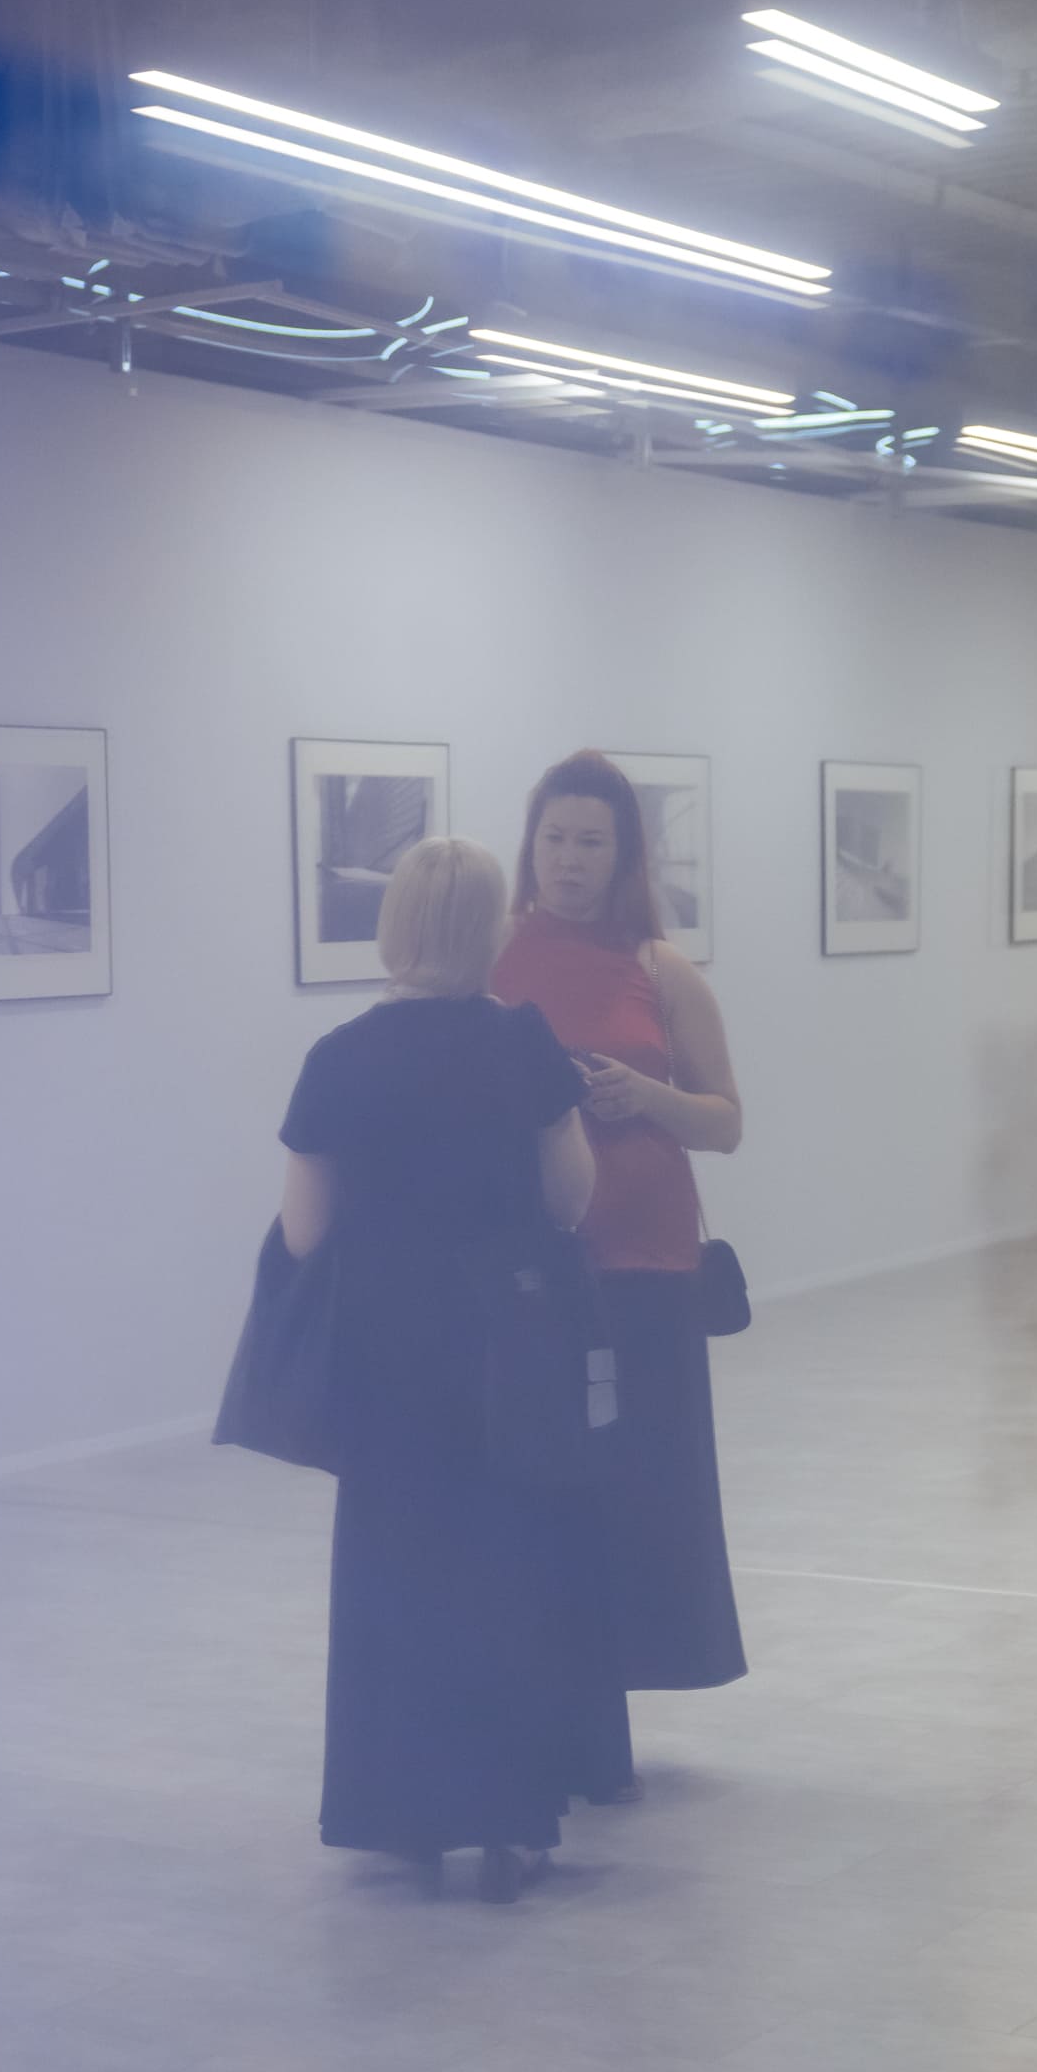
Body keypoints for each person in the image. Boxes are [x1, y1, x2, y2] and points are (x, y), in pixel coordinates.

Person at [279, 836, 599, 1902]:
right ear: (489, 928)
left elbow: (304, 1231)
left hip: (383, 1356)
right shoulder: (523, 1045)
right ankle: (510, 1820)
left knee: (394, 1580)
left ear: (396, 925)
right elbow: (570, 1197)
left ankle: (402, 1810)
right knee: (504, 1575)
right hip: (505, 1350)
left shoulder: (337, 1058)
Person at [489, 751, 750, 1802]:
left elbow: (725, 1122)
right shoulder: (495, 956)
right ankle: (548, 1700)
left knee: (641, 1488)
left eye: (589, 841)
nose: (568, 859)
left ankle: (611, 1698)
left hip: (647, 1263)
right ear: (530, 846)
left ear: (623, 854)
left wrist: (645, 1096)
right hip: (531, 1270)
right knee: (544, 1488)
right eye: (554, 838)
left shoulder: (661, 968)